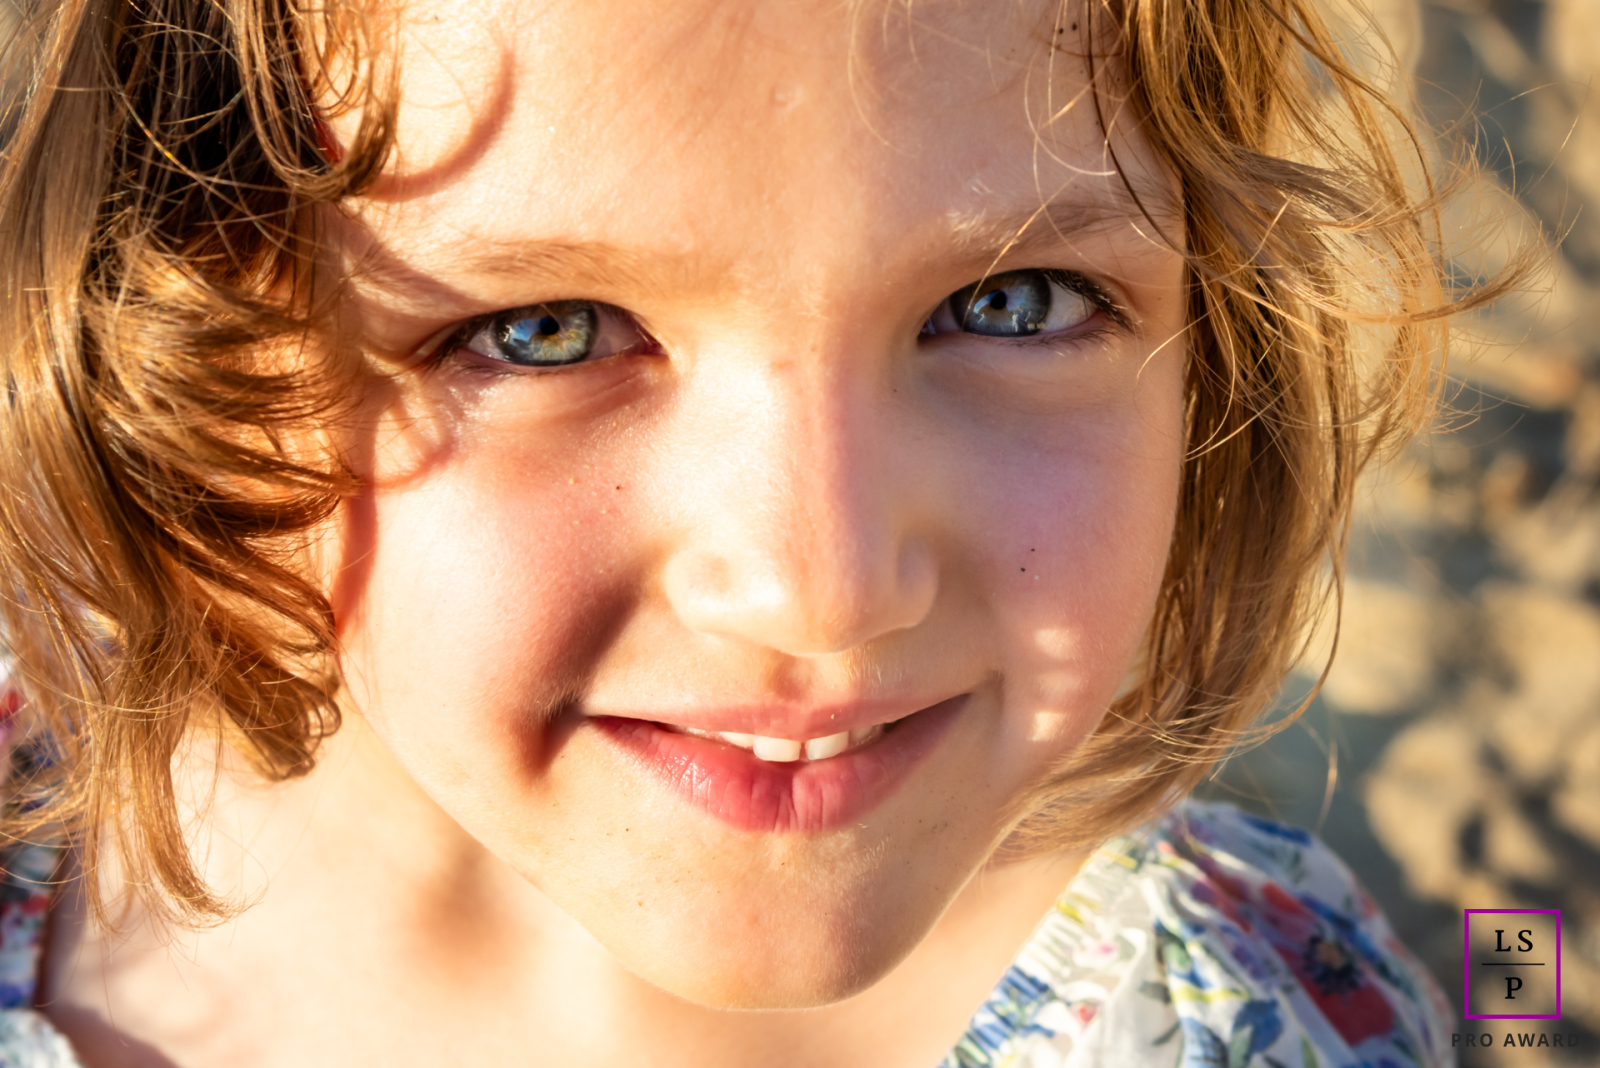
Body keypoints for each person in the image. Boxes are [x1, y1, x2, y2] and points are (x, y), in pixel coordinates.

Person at [0, 0, 1510, 1064]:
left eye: (1009, 303)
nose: (823, 592)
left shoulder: (1245, 1020)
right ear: (181, 339)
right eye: (544, 330)